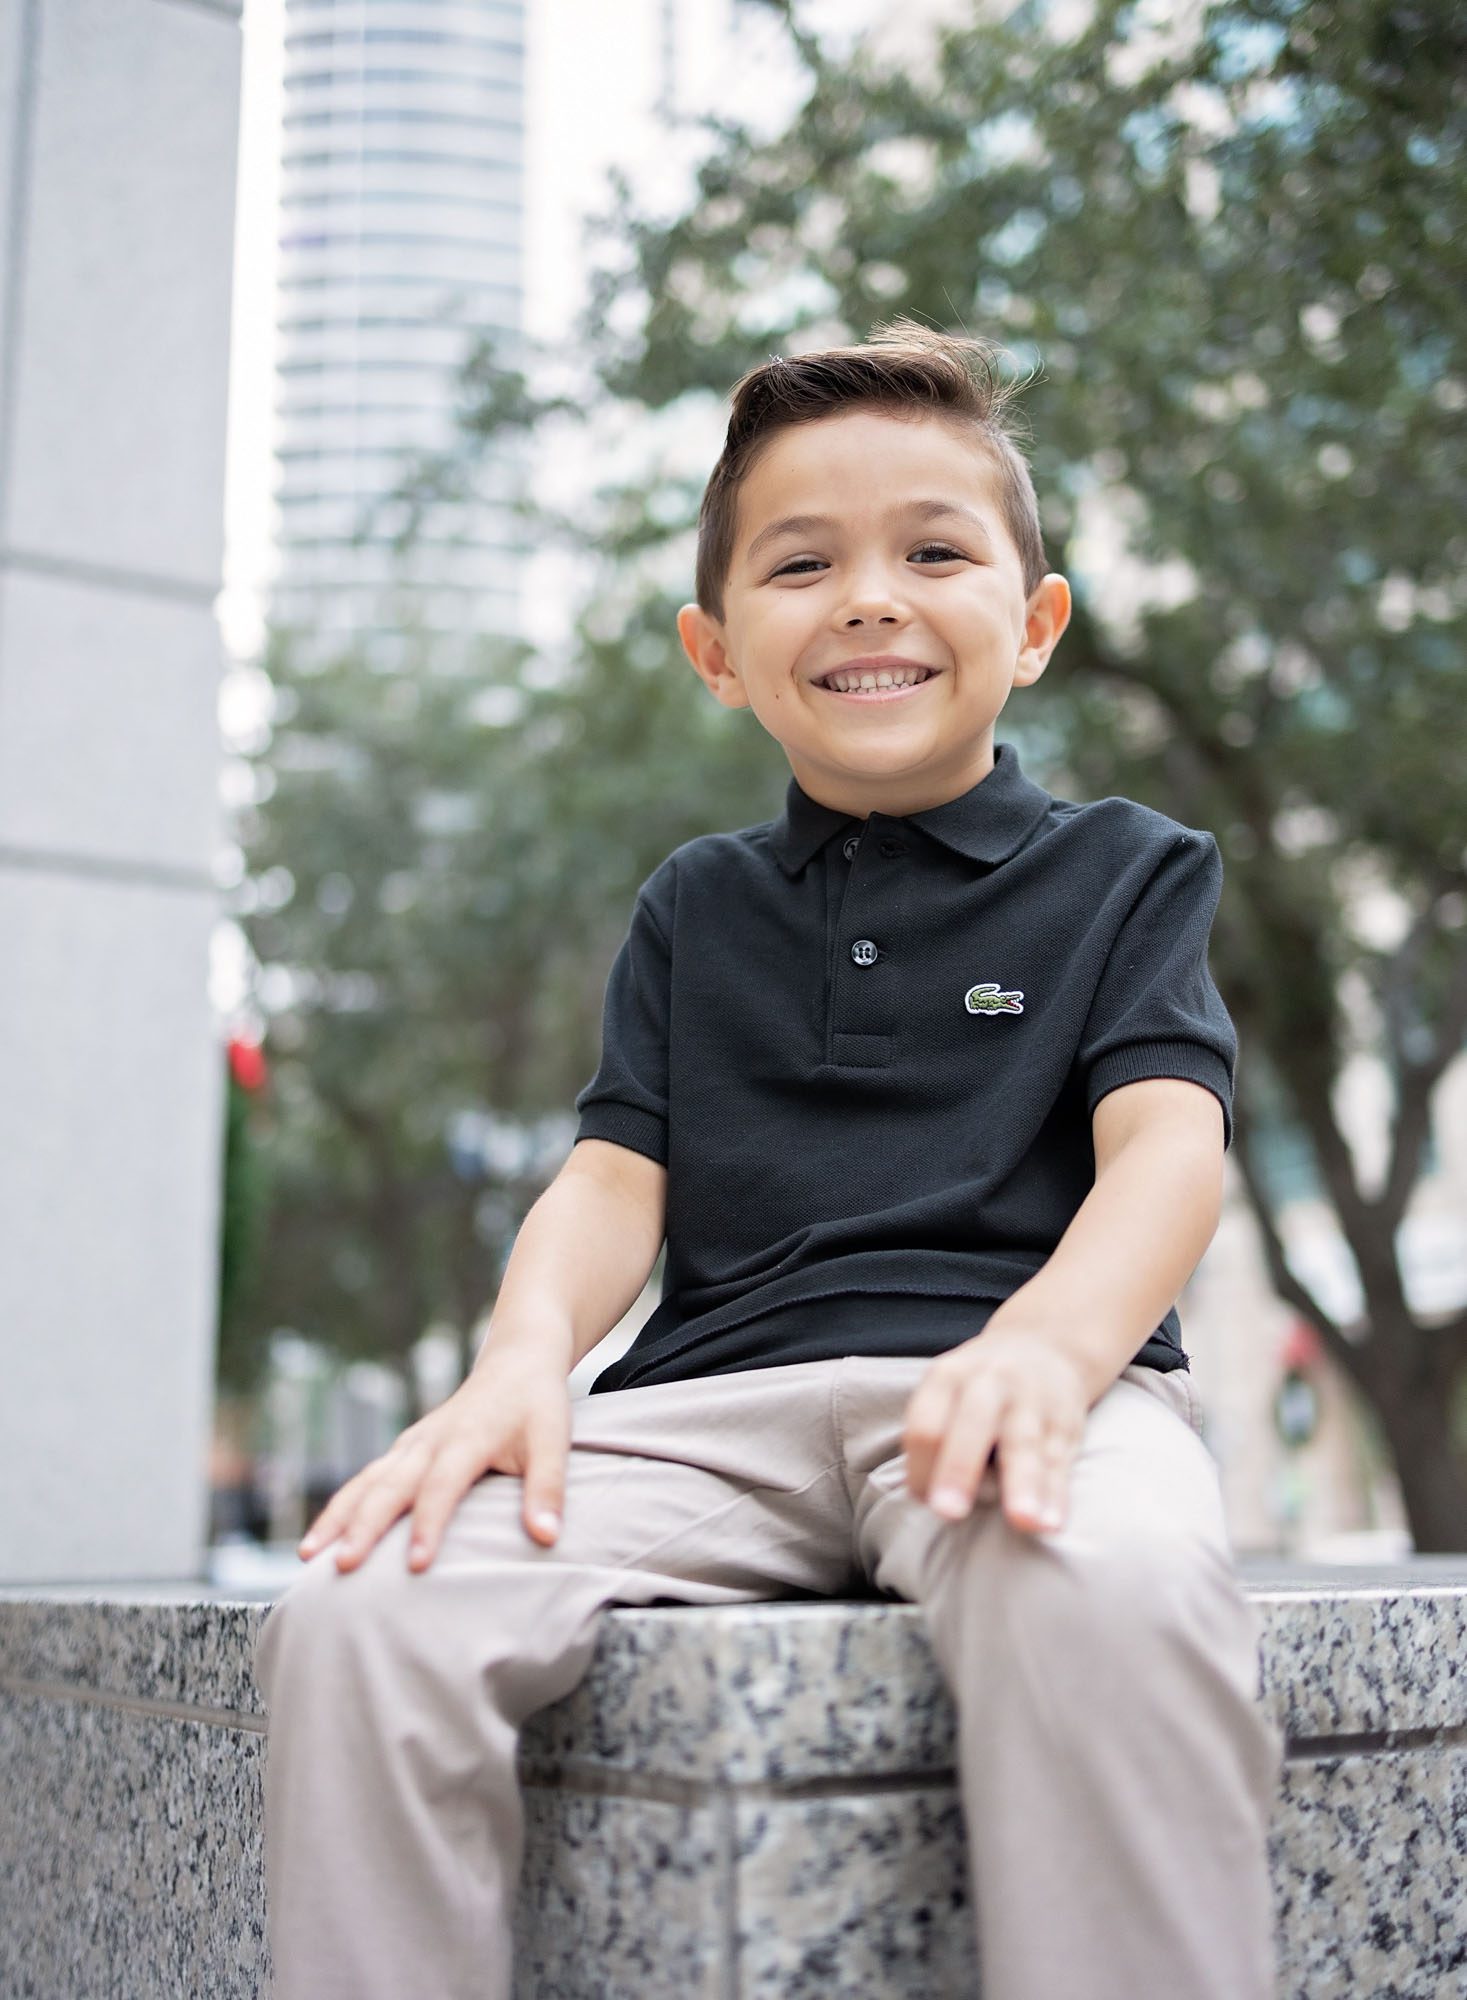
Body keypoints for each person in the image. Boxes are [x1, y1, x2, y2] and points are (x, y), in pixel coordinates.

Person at [253, 318, 1285, 2000]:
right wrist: (519, 1361)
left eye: (934, 553)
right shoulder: (695, 905)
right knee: (365, 1609)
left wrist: (1048, 1346)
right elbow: (612, 1179)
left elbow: (1168, 1148)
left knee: (1113, 1586)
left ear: (1035, 626)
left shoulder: (1130, 869)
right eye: (802, 565)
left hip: (1025, 1387)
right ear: (718, 652)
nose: (870, 599)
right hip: (708, 1417)